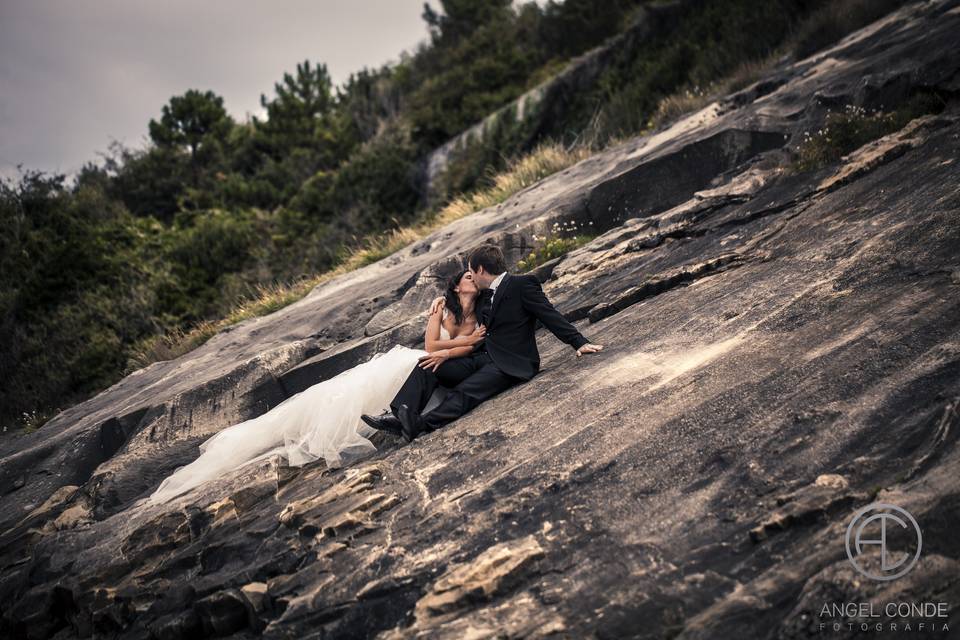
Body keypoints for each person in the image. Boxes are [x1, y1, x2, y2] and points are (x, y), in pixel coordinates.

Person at [145, 269, 485, 505]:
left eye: (475, 276)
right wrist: (464, 342)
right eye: (468, 277)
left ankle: (398, 415)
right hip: (421, 359)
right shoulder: (441, 308)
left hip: (440, 368)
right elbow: (430, 343)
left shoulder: (479, 310)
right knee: (361, 388)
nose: (473, 280)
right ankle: (382, 415)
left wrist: (463, 345)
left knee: (424, 381)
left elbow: (470, 347)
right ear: (456, 286)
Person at [361, 244, 603, 443]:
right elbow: (460, 300)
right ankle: (400, 415)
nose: (472, 279)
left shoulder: (522, 284)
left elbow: (550, 315)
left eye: (470, 272)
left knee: (466, 392)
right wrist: (441, 302)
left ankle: (420, 424)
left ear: (479, 269)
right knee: (428, 365)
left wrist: (579, 342)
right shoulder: (483, 295)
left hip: (511, 363)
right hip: (480, 356)